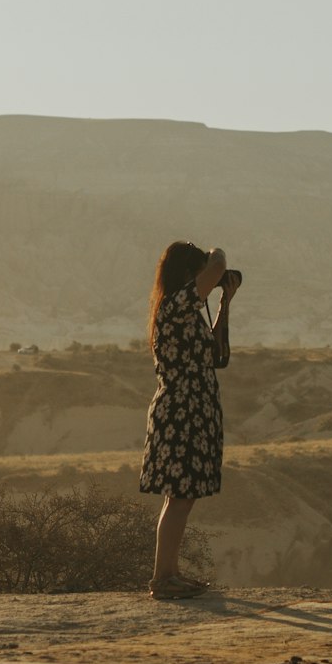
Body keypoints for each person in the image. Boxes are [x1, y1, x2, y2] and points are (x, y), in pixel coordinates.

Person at [139, 241, 240, 600]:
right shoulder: (175, 305)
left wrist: (224, 302)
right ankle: (163, 578)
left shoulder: (183, 310)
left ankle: (168, 574)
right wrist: (214, 256)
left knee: (181, 497)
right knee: (180, 497)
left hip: (193, 412)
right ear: (187, 273)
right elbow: (218, 263)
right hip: (182, 413)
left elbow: (215, 354)